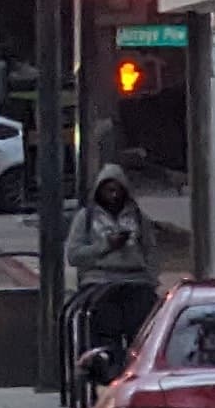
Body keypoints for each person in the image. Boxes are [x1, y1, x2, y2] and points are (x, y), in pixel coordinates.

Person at [64, 161, 158, 393]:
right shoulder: (86, 219)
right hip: (99, 280)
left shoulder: (137, 217)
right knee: (105, 319)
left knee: (145, 320)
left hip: (135, 279)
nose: (113, 195)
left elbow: (151, 250)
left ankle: (138, 370)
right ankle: (106, 367)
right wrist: (105, 245)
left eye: (117, 190)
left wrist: (150, 275)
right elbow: (74, 255)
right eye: (108, 190)